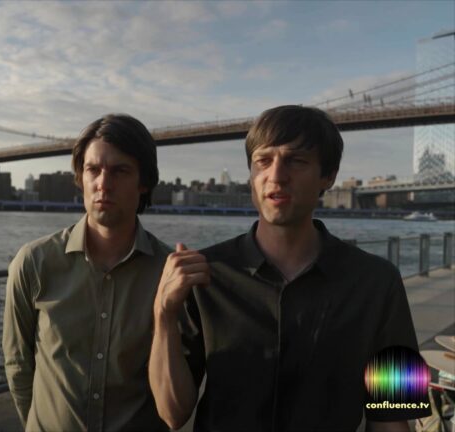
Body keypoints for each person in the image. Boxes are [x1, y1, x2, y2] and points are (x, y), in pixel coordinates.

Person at [150, 105, 429, 431]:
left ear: (328, 176)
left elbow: (395, 414)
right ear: (251, 175)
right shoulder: (205, 275)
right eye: (263, 161)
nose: (276, 176)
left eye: (296, 161)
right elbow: (172, 414)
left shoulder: (379, 283)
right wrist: (163, 316)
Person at [3, 114, 172, 431]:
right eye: (93, 169)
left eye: (120, 171)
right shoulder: (34, 263)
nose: (103, 184)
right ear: (81, 178)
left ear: (144, 182)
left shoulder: (168, 273)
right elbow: (18, 365)